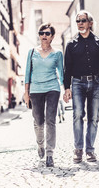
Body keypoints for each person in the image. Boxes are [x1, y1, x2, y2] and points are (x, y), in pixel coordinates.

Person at [63, 10, 99, 163]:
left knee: (93, 117)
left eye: (83, 21)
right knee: (78, 115)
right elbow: (68, 68)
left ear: (90, 23)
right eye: (77, 21)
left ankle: (90, 150)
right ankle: (78, 149)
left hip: (97, 82)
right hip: (77, 83)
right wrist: (67, 88)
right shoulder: (71, 44)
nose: (80, 24)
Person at [24, 23, 64, 167]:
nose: (44, 36)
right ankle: (40, 144)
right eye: (41, 33)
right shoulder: (32, 52)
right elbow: (27, 73)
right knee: (38, 121)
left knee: (51, 121)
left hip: (52, 88)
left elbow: (61, 73)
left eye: (47, 33)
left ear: (52, 36)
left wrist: (66, 89)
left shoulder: (57, 54)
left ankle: (50, 153)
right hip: (35, 90)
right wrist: (26, 93)